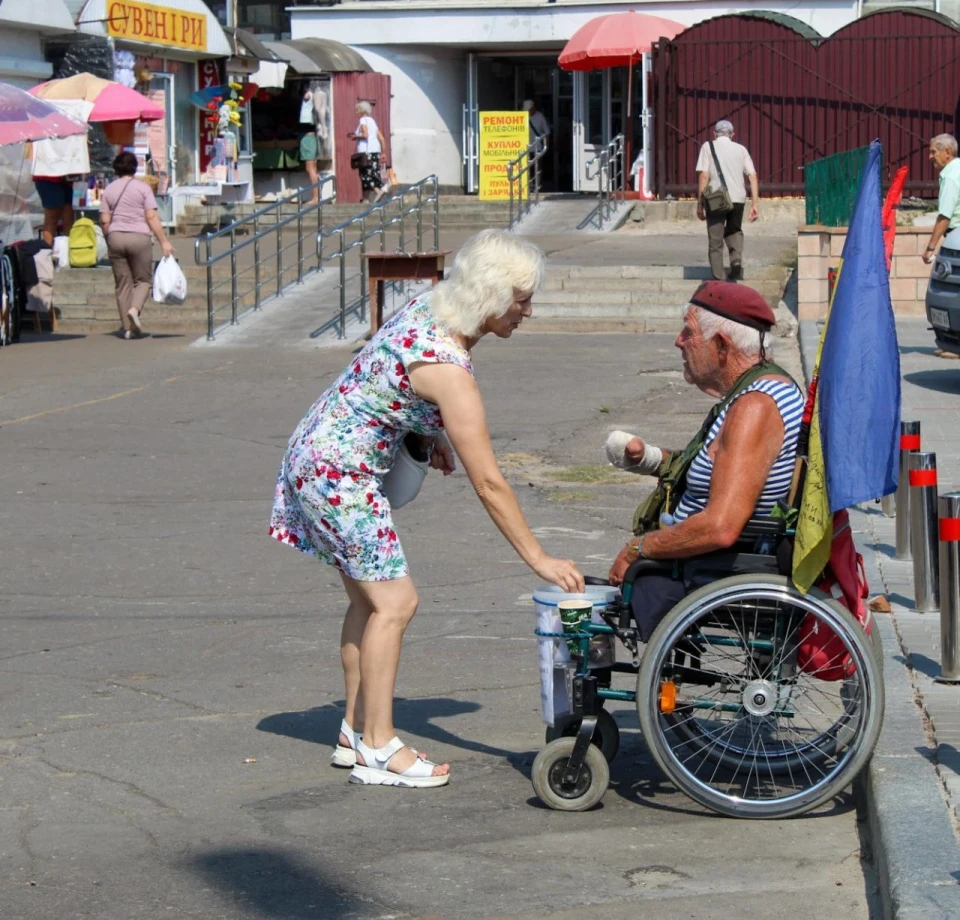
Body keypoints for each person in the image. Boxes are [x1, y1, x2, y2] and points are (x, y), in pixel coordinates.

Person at [269, 229, 584, 789]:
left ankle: (354, 730)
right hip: (339, 474)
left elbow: (389, 377)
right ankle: (380, 747)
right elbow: (489, 483)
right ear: (490, 298)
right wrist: (537, 558)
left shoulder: (431, 306)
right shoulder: (451, 373)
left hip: (313, 453)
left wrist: (426, 432)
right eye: (522, 300)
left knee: (370, 603)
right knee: (396, 602)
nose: (528, 312)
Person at [605, 281, 803, 641]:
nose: (679, 341)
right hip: (709, 566)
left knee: (587, 610)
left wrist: (638, 548)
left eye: (689, 331)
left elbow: (721, 527)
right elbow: (720, 467)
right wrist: (650, 458)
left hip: (711, 572)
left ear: (722, 345)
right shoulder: (756, 392)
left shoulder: (754, 407)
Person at [99, 151, 175, 339]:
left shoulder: (109, 190)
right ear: (134, 168)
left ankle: (127, 328)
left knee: (122, 284)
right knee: (143, 281)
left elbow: (104, 220)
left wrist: (110, 238)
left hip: (116, 237)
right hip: (139, 238)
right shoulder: (143, 188)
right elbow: (151, 216)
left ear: (116, 169)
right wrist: (164, 241)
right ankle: (134, 309)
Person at [696, 120, 759, 282]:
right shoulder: (741, 149)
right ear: (732, 135)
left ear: (714, 134)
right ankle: (736, 260)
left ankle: (719, 276)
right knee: (735, 230)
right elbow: (752, 175)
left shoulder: (707, 147)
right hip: (738, 198)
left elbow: (704, 175)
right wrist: (754, 204)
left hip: (717, 198)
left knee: (715, 239)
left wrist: (700, 203)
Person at [921, 134, 960, 264]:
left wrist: (930, 248)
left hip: (956, 239)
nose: (930, 157)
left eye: (933, 152)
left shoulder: (950, 177)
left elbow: (944, 217)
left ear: (947, 152)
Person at [349, 101, 386, 203]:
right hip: (375, 151)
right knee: (373, 173)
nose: (356, 112)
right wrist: (383, 153)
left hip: (366, 152)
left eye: (357, 110)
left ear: (362, 111)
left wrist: (355, 136)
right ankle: (368, 198)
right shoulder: (373, 121)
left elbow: (365, 135)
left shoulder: (363, 120)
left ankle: (378, 191)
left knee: (364, 174)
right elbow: (382, 138)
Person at [33, 177, 74, 247]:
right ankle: (47, 252)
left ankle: (67, 252)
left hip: (69, 177)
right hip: (48, 177)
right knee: (52, 218)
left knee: (69, 218)